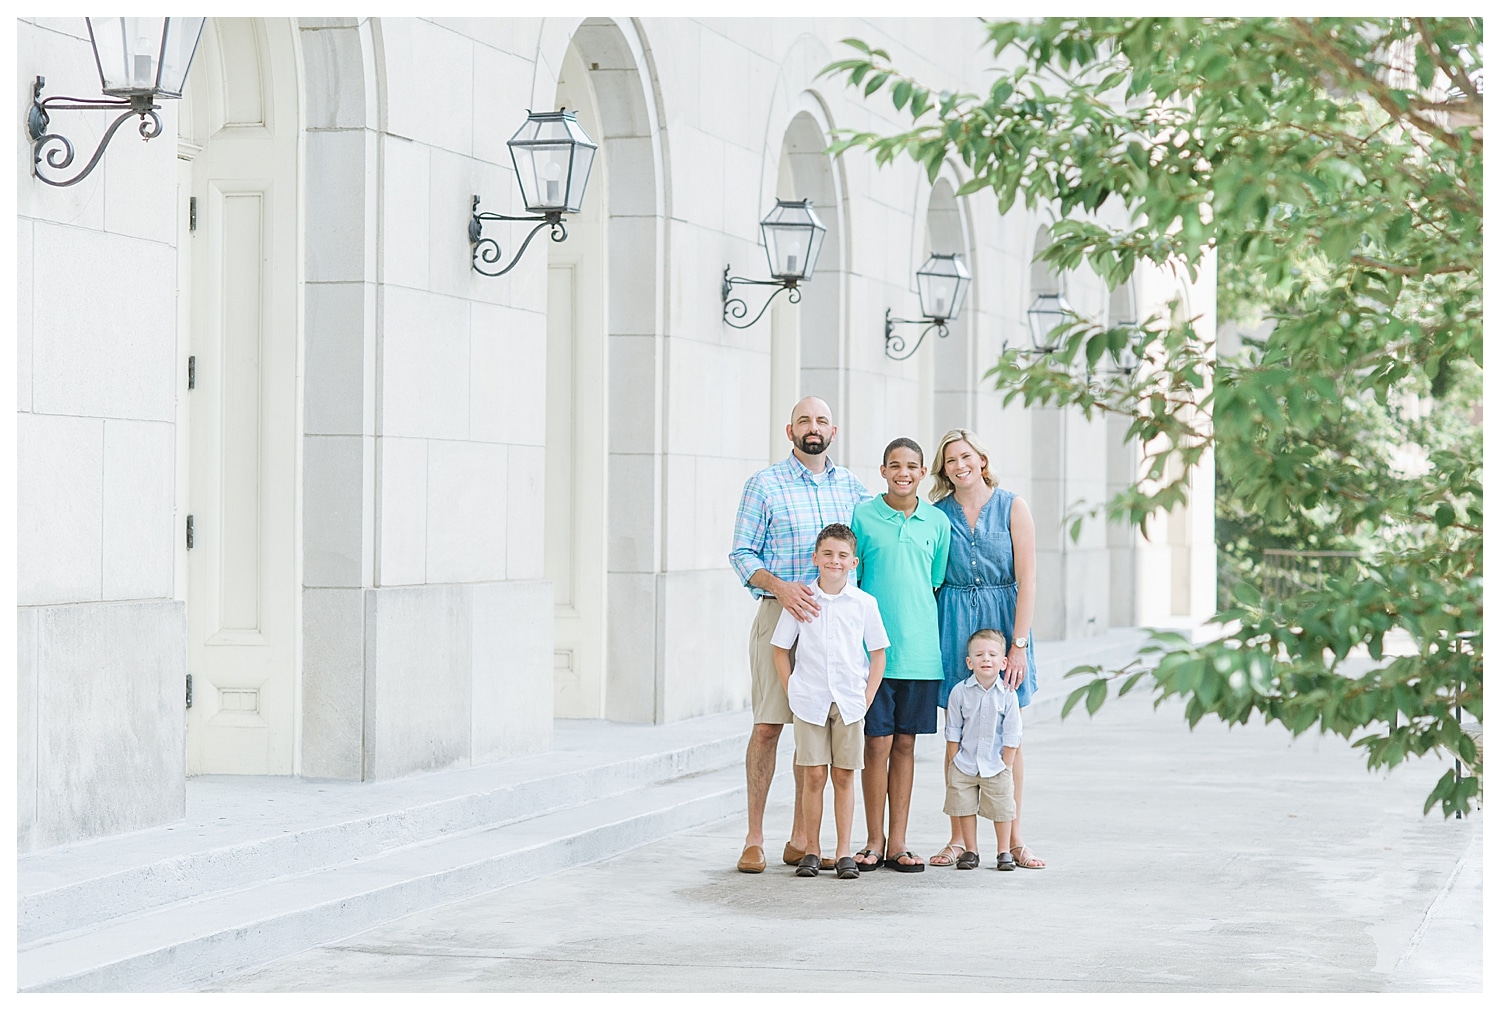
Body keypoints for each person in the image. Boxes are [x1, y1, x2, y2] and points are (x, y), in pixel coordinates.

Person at [728, 396, 872, 874]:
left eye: (822, 420)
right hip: (781, 616)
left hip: (836, 624)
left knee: (817, 731)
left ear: (835, 430)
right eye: (805, 420)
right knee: (769, 727)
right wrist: (782, 588)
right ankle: (754, 838)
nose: (814, 427)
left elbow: (864, 555)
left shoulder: (854, 488)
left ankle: (801, 839)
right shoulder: (764, 485)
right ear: (790, 431)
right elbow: (742, 554)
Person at [927, 428, 1046, 870]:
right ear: (944, 470)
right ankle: (959, 839)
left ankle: (1013, 839)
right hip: (954, 621)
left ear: (981, 458)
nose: (960, 466)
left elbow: (1029, 578)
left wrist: (1019, 644)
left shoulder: (1013, 506)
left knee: (1007, 732)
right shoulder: (938, 514)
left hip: (1004, 619)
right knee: (955, 732)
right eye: (950, 461)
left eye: (966, 456)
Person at [849, 437, 951, 873]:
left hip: (921, 653)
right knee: (876, 744)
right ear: (883, 470)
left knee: (906, 745)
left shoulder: (937, 523)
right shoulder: (863, 516)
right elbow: (858, 580)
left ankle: (900, 843)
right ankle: (874, 840)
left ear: (923, 471)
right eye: (895, 465)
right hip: (875, 655)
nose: (903, 473)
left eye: (912, 466)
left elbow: (934, 579)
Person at [771, 523, 889, 879]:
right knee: (813, 776)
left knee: (843, 775)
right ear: (815, 558)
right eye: (827, 554)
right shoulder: (802, 599)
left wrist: (866, 699)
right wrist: (792, 691)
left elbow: (879, 654)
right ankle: (811, 850)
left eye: (842, 556)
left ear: (853, 562)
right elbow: (780, 649)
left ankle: (842, 853)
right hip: (809, 700)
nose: (834, 561)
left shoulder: (864, 604)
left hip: (851, 702)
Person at [943, 629, 1022, 870]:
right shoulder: (959, 692)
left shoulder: (1008, 694)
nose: (985, 659)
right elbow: (953, 728)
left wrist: (1006, 763)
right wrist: (954, 758)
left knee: (1002, 808)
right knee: (964, 806)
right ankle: (970, 850)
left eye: (992, 654)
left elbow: (1012, 733)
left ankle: (1003, 851)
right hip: (964, 763)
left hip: (996, 764)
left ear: (1003, 662)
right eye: (979, 655)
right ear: (969, 662)